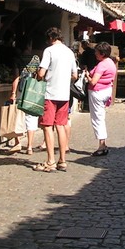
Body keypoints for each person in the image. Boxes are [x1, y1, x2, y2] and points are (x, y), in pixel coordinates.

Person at [34, 27, 78, 173]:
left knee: (47, 126)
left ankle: (50, 160)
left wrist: (41, 76)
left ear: (50, 38)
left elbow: (41, 73)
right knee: (61, 125)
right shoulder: (69, 52)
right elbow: (75, 75)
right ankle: (63, 161)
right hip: (64, 94)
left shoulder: (49, 51)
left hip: (50, 93)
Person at [85, 41, 117, 156]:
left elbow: (93, 82)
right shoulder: (110, 63)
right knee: (101, 117)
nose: (95, 54)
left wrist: (87, 76)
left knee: (97, 119)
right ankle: (103, 144)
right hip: (106, 90)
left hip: (98, 92)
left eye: (97, 52)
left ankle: (101, 145)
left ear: (102, 53)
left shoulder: (102, 65)